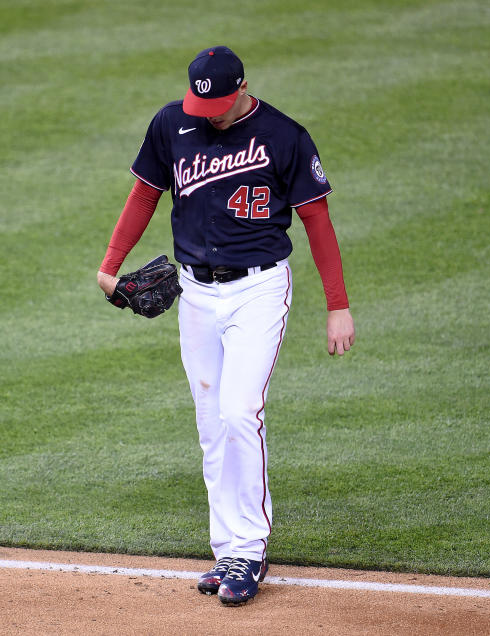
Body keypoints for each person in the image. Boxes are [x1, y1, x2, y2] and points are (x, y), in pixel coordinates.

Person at [96, 46, 355, 606]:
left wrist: (338, 303)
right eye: (199, 102)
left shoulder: (286, 136)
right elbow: (145, 194)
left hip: (258, 290)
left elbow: (318, 221)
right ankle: (226, 548)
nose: (206, 112)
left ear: (241, 88)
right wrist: (110, 265)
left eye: (216, 102)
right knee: (212, 422)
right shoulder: (174, 123)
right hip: (195, 292)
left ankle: (251, 549)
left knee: (240, 411)